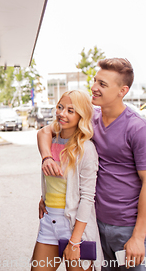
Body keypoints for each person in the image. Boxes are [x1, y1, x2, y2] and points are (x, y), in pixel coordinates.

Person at [38, 58, 146, 271]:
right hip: (95, 224)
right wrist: (47, 159)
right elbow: (46, 131)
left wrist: (138, 237)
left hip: (128, 228)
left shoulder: (139, 129)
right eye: (95, 81)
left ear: (122, 90)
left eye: (102, 84)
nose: (94, 87)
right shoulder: (89, 118)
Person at [31, 90, 101, 271]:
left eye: (71, 110)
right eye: (60, 107)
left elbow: (87, 197)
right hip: (49, 222)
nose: (62, 113)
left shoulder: (86, 149)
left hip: (73, 226)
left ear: (81, 115)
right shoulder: (51, 139)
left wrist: (75, 241)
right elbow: (42, 132)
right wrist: (45, 197)